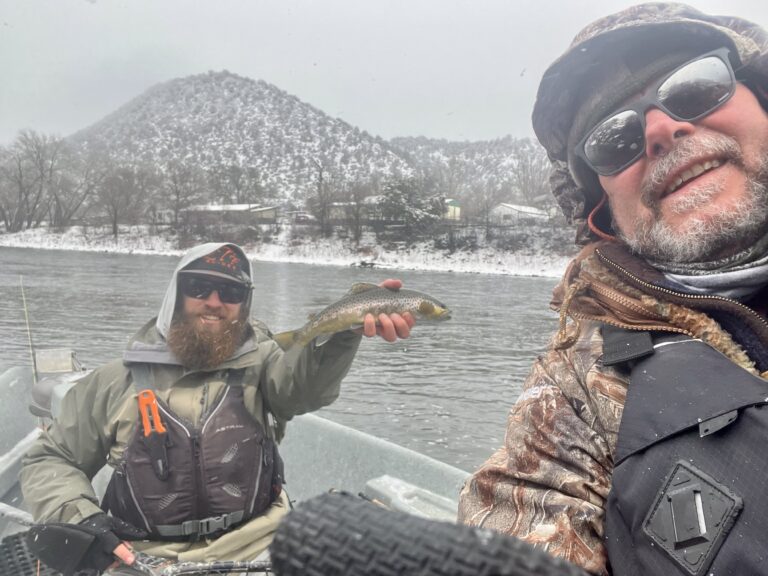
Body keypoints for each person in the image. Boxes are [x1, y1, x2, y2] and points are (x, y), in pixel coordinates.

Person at [458, 3, 768, 576]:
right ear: (602, 208)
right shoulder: (577, 391)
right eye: (613, 139)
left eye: (697, 87)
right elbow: (522, 518)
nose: (659, 130)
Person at [20, 242, 415, 575]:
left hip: (262, 543)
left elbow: (303, 390)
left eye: (231, 292)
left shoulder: (264, 365)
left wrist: (342, 333)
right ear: (175, 294)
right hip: (144, 557)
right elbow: (50, 459)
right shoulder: (113, 381)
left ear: (244, 304)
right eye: (200, 287)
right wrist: (83, 519)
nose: (214, 302)